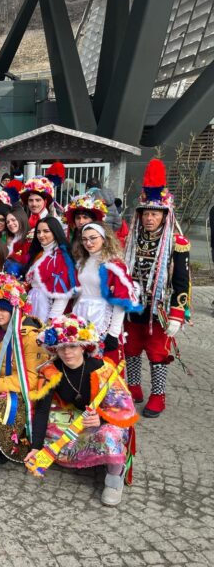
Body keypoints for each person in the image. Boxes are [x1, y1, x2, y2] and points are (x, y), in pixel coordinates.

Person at [24, 314, 138, 506]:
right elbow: (42, 410)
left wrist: (101, 419)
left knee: (111, 434)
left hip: (103, 419)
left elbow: (123, 405)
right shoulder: (51, 371)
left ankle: (114, 478)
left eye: (73, 346)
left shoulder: (101, 369)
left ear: (84, 346)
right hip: (72, 418)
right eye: (62, 348)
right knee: (44, 429)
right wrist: (36, 447)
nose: (67, 352)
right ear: (55, 349)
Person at [124, 159, 191, 418]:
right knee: (130, 349)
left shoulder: (177, 243)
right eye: (146, 213)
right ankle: (133, 387)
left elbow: (181, 282)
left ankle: (158, 394)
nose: (150, 218)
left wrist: (177, 312)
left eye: (155, 214)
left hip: (159, 309)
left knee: (157, 354)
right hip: (132, 307)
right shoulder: (131, 240)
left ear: (165, 215)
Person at [0, 273, 47, 469]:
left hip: (23, 394)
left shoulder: (30, 337)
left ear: (14, 308)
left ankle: (2, 449)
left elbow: (31, 378)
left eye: (3, 309)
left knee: (1, 407)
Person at [72, 222, 141, 365]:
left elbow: (122, 301)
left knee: (98, 365)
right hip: (81, 314)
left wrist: (113, 333)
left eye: (93, 238)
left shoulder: (114, 265)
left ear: (104, 238)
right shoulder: (82, 262)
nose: (88, 243)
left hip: (102, 316)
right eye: (84, 239)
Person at [22, 216, 78, 322]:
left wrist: (52, 319)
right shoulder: (39, 253)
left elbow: (63, 294)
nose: (41, 235)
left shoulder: (61, 256)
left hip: (47, 307)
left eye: (46, 231)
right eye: (38, 232)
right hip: (32, 303)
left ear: (55, 232)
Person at [4, 207, 31, 277]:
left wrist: (11, 255)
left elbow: (27, 260)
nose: (10, 223)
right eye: (8, 222)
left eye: (13, 220)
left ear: (21, 219)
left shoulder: (29, 238)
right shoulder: (10, 239)